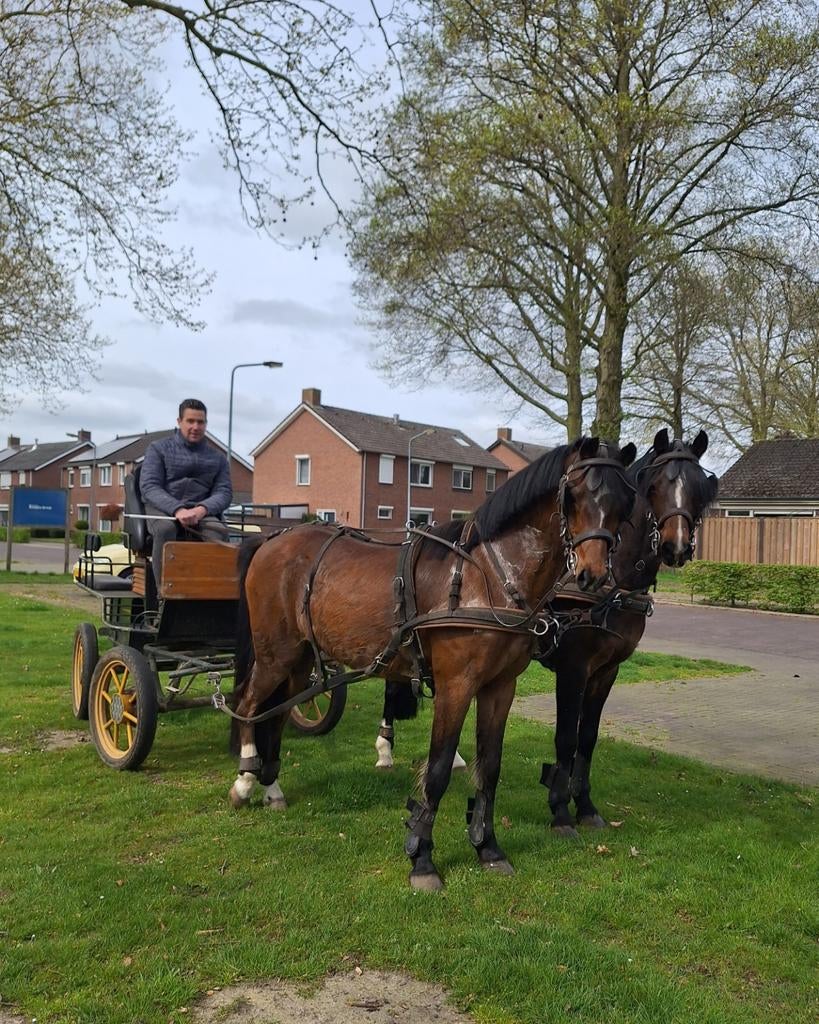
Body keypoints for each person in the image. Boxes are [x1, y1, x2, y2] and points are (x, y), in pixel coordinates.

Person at [139, 399, 233, 585]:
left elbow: (224, 492)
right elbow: (149, 486)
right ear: (179, 421)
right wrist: (178, 510)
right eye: (190, 421)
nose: (195, 427)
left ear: (206, 424)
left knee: (219, 531)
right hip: (163, 510)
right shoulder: (158, 449)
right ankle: (163, 594)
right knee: (166, 530)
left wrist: (202, 509)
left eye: (200, 422)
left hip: (201, 511)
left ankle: (213, 590)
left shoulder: (218, 458)